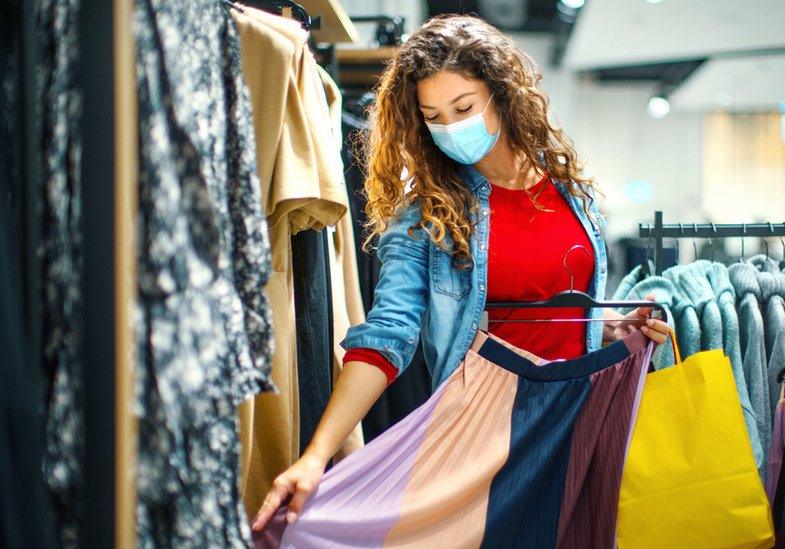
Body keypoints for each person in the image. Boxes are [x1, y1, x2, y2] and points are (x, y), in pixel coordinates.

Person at [251, 13, 670, 532]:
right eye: (433, 115)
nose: (450, 127)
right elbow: (387, 335)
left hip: (576, 416)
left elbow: (552, 303)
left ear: (502, 94)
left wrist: (608, 328)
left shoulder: (573, 193)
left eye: (464, 107)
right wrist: (316, 455)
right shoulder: (426, 213)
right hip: (480, 429)